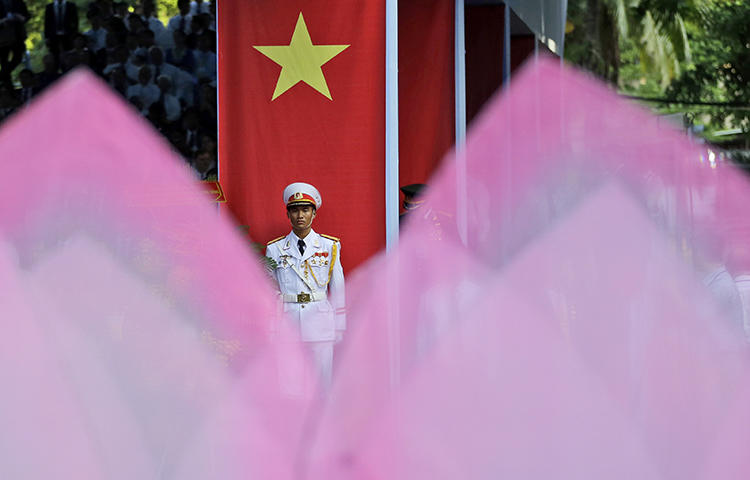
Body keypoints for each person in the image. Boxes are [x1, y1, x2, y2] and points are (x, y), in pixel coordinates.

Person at [265, 182, 346, 387]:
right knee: (290, 384)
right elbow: (269, 290)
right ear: (287, 214)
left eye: (305, 209)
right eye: (294, 210)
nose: (300, 215)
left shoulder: (329, 246)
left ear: (314, 214)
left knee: (322, 384)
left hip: (320, 322)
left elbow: (338, 288)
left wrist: (339, 326)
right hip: (288, 323)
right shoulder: (275, 249)